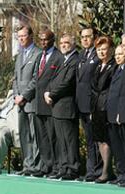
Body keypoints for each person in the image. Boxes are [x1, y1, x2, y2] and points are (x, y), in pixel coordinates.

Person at [44, 33, 80, 180]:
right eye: (62, 42)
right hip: (57, 107)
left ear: (73, 44)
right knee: (61, 140)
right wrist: (47, 91)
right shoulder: (63, 60)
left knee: (70, 140)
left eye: (67, 42)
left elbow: (67, 83)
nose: (64, 45)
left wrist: (51, 94)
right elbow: (53, 79)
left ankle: (73, 168)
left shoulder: (75, 60)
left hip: (67, 107)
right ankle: (64, 167)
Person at [32, 28, 63, 178]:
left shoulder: (58, 57)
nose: (43, 42)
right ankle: (46, 165)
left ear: (52, 40)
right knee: (42, 138)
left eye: (46, 39)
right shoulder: (40, 56)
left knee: (53, 137)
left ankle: (56, 167)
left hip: (50, 104)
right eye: (41, 39)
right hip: (38, 103)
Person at [12, 25, 42, 176]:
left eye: (23, 36)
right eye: (19, 36)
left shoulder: (38, 53)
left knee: (34, 134)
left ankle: (36, 166)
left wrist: (24, 96)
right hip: (20, 102)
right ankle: (27, 165)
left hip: (31, 101)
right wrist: (16, 95)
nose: (21, 39)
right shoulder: (19, 55)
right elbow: (16, 78)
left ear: (31, 36)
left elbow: (36, 79)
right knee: (24, 135)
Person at [76, 26, 101, 181]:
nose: (85, 39)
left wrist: (93, 106)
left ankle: (97, 171)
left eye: (88, 36)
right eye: (82, 37)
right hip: (81, 104)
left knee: (95, 140)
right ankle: (90, 170)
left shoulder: (97, 56)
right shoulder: (81, 55)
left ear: (94, 37)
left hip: (92, 105)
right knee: (89, 140)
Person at [90, 36, 116, 183]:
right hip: (96, 108)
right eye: (98, 49)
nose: (101, 52)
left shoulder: (114, 66)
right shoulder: (97, 66)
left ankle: (106, 171)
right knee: (99, 139)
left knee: (106, 140)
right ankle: (107, 170)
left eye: (104, 49)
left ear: (111, 50)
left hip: (106, 108)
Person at [107, 45, 125, 187]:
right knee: (117, 147)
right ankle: (120, 174)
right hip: (112, 114)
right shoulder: (116, 69)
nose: (117, 57)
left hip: (121, 115)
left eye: (121, 54)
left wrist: (120, 112)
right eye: (116, 54)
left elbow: (123, 95)